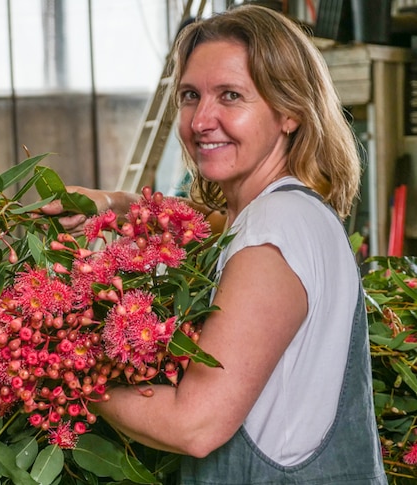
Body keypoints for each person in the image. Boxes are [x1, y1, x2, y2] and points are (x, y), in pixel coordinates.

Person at [41, 5, 386, 483]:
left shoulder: (275, 231)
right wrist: (117, 204)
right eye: (190, 95)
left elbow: (195, 424)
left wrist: (54, 371)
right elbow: (214, 226)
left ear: (288, 112)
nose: (202, 119)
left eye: (230, 95)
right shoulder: (282, 213)